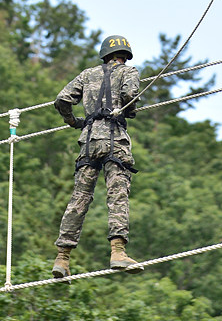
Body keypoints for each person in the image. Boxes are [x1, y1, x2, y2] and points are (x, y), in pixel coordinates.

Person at [52, 34, 144, 277]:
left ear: (104, 55)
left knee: (79, 198)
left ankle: (62, 259)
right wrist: (129, 110)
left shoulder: (87, 74)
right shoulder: (129, 71)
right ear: (125, 56)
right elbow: (129, 95)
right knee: (117, 194)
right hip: (115, 140)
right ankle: (117, 253)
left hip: (89, 142)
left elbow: (62, 99)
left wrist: (74, 121)